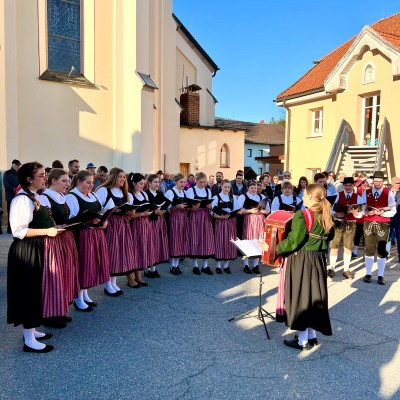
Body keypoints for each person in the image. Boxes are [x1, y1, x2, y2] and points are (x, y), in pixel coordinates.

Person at [7, 162, 64, 353]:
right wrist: (47, 231)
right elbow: (18, 231)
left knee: (35, 290)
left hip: (37, 248)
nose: (45, 178)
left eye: (45, 174)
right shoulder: (22, 200)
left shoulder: (35, 197)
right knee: (28, 291)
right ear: (29, 179)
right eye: (41, 175)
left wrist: (53, 228)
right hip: (26, 251)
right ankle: (29, 340)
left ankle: (32, 331)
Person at [276, 183, 334, 350]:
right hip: (318, 260)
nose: (301, 197)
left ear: (309, 197)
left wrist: (273, 248)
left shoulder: (302, 215)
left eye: (303, 194)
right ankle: (311, 335)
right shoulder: (325, 215)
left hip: (302, 259)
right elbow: (329, 237)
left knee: (302, 298)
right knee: (313, 297)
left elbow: (293, 241)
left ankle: (302, 341)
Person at [40, 168, 80, 328]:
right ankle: (50, 315)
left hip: (66, 238)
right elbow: (45, 221)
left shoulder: (62, 196)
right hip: (54, 240)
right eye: (64, 181)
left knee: (66, 274)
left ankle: (60, 310)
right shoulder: (45, 197)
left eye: (68, 180)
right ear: (53, 180)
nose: (67, 184)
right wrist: (56, 226)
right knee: (55, 277)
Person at [66, 170, 110, 310]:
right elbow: (71, 220)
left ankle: (85, 294)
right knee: (83, 265)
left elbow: (102, 211)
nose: (91, 186)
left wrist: (105, 222)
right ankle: (79, 298)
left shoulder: (93, 195)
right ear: (79, 181)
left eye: (92, 182)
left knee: (91, 265)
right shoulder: (72, 196)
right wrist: (90, 221)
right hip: (82, 235)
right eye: (88, 182)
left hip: (95, 234)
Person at [95, 167, 136, 294]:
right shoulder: (103, 190)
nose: (123, 179)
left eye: (124, 177)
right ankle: (108, 285)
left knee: (119, 254)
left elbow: (130, 213)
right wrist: (110, 211)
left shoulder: (125, 193)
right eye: (120, 176)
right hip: (111, 225)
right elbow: (97, 209)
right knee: (111, 253)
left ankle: (113, 282)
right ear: (113, 177)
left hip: (122, 225)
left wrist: (130, 212)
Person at [361, 171, 396, 285]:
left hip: (383, 223)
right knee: (369, 248)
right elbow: (362, 208)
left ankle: (381, 275)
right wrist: (366, 212)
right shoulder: (367, 193)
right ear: (373, 181)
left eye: (380, 181)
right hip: (369, 222)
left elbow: (393, 210)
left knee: (381, 250)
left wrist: (383, 213)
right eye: (376, 181)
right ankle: (368, 273)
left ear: (383, 181)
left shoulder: (388, 193)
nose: (378, 183)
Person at [328, 177, 364, 279]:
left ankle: (346, 269)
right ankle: (332, 268)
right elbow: (330, 209)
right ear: (343, 186)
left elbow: (362, 213)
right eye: (346, 185)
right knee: (334, 246)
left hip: (351, 223)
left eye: (350, 185)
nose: (348, 187)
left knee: (348, 247)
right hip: (338, 223)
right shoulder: (337, 196)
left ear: (353, 186)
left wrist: (356, 213)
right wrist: (335, 214)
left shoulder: (358, 197)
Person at [127, 173, 155, 288]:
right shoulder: (129, 195)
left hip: (144, 224)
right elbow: (129, 215)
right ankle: (130, 278)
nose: (142, 186)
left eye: (144, 184)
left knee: (141, 250)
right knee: (132, 251)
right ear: (133, 183)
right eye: (140, 184)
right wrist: (143, 213)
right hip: (134, 225)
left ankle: (138, 276)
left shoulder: (144, 194)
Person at [237, 180, 270, 274]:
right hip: (248, 220)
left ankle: (255, 265)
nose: (253, 190)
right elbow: (239, 210)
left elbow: (268, 210)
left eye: (255, 188)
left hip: (260, 220)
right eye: (251, 188)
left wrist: (263, 211)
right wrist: (250, 210)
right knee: (247, 241)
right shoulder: (243, 197)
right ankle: (246, 265)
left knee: (258, 241)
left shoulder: (262, 196)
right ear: (247, 188)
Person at [185, 172, 215, 275]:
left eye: (204, 182)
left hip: (205, 216)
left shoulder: (208, 190)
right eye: (200, 182)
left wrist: (210, 206)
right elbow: (188, 207)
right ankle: (195, 265)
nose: (203, 184)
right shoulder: (191, 190)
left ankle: (205, 265)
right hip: (195, 216)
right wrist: (193, 207)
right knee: (196, 238)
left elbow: (211, 205)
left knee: (206, 239)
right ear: (196, 181)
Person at [212, 179, 239, 274]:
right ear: (221, 187)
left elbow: (236, 210)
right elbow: (213, 212)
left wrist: (234, 213)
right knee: (220, 241)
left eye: (228, 187)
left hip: (230, 222)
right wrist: (220, 216)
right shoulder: (216, 197)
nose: (227, 189)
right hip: (220, 222)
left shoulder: (233, 197)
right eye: (225, 187)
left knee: (229, 242)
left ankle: (226, 265)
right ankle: (218, 266)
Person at [164, 174, 189, 275]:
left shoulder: (185, 192)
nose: (183, 184)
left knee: (181, 240)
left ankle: (177, 264)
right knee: (174, 240)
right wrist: (177, 206)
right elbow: (167, 208)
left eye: (184, 182)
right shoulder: (170, 192)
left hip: (183, 217)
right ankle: (172, 266)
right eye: (181, 182)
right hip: (174, 218)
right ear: (175, 182)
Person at [145, 174, 169, 277]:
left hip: (159, 221)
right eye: (155, 182)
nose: (157, 184)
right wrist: (155, 211)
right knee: (149, 243)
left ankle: (153, 268)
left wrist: (162, 210)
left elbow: (165, 204)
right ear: (149, 183)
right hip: (149, 221)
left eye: (158, 182)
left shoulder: (159, 193)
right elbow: (144, 208)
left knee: (156, 243)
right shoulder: (145, 194)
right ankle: (147, 268)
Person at [3, 159, 21, 233]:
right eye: (17, 165)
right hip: (10, 197)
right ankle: (10, 229)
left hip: (19, 197)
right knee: (11, 212)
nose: (18, 166)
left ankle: (17, 228)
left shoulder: (19, 173)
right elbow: (6, 185)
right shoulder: (7, 173)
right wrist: (15, 190)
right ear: (13, 165)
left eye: (19, 165)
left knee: (18, 213)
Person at [389, 177, 400, 261]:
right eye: (397, 183)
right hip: (388, 217)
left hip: (399, 217)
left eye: (399, 183)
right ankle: (385, 254)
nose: (398, 185)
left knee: (399, 238)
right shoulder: (387, 192)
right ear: (392, 183)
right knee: (387, 237)